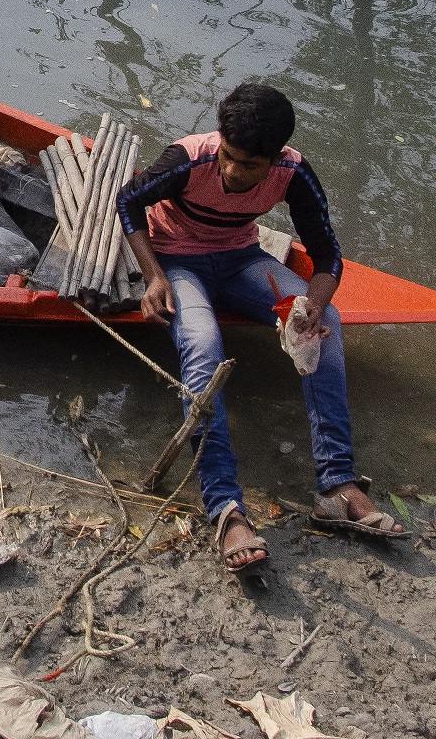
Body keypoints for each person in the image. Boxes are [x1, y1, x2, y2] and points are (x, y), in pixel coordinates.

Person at [116, 80, 404, 576]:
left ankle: (337, 484)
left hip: (239, 257)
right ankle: (226, 506)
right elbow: (128, 202)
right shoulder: (186, 159)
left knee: (327, 322)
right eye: (228, 156)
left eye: (250, 165)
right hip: (178, 261)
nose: (231, 171)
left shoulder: (294, 172)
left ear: (275, 159)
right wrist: (155, 277)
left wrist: (312, 304)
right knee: (204, 346)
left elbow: (328, 254)